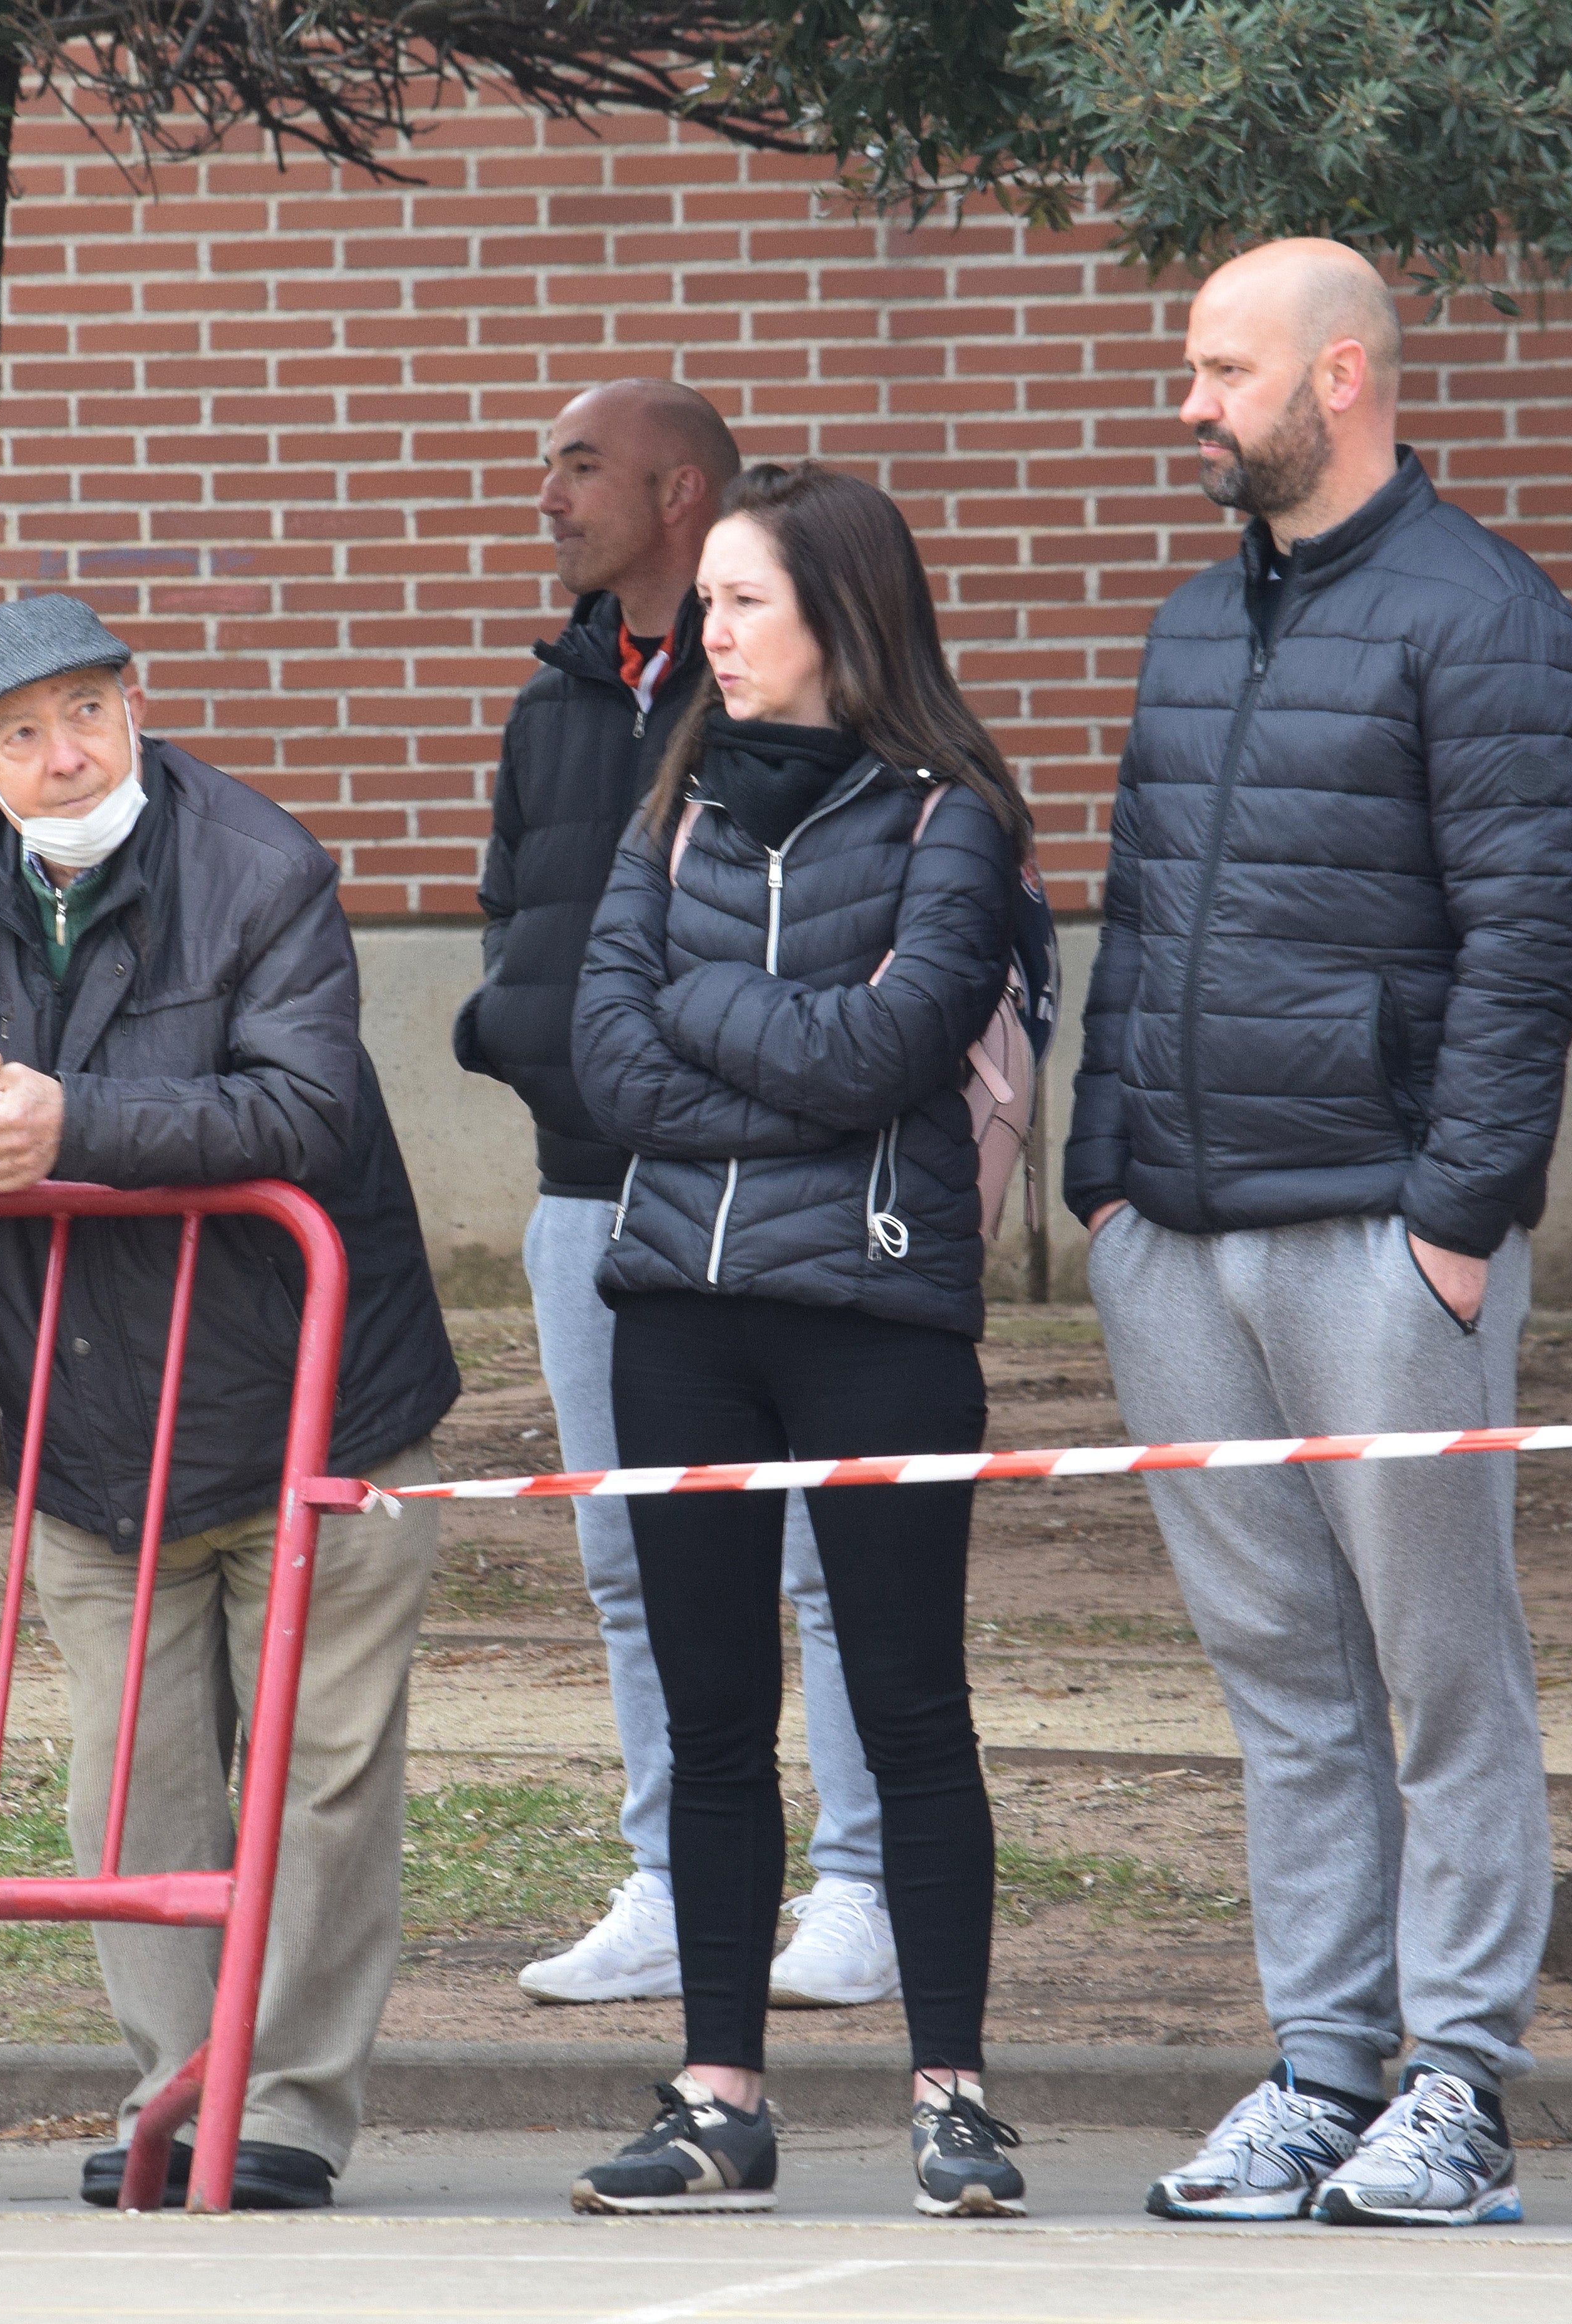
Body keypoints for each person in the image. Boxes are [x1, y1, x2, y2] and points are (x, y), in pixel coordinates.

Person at [1068, 240, 1572, 2230]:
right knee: (1276, 1676)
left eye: (1218, 371)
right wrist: (1105, 1186)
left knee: (1437, 1671)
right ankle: (1317, 2071)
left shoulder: (1487, 625)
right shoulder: (1193, 627)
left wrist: (1450, 1230)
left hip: (1382, 1237)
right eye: (1189, 370)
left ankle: (1454, 2084)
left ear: (1342, 377)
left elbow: (1528, 952)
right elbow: (1129, 921)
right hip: (1177, 1238)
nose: (1186, 405)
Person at [0, 594, 460, 2212]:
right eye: (22, 734)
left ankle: (287, 2110)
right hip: (89, 1422)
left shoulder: (261, 863)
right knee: (131, 1787)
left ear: (137, 703)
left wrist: (68, 1121)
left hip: (320, 1409)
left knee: (322, 1781)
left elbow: (302, 1107)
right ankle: (172, 2097)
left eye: (88, 711)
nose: (64, 753)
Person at [565, 464, 1043, 2220]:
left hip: (875, 1322)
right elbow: (598, 1060)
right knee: (709, 1726)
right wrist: (776, 1047)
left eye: (744, 603)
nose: (711, 634)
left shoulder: (950, 820)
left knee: (910, 1708)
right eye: (708, 607)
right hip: (677, 1326)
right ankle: (714, 2095)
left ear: (844, 616)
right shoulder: (669, 806)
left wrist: (707, 1028)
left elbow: (891, 1051)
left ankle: (951, 2095)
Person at [457, 378, 899, 2014]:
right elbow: (523, 919)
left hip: (782, 1204)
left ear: (678, 491)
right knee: (630, 1558)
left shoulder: (791, 705)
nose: (546, 497)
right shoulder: (557, 696)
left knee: (815, 1561)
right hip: (593, 1201)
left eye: (576, 466)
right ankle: (670, 1879)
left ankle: (854, 1889)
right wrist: (515, 1035)